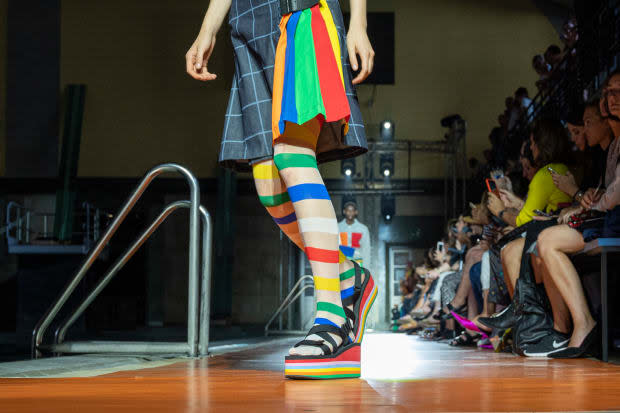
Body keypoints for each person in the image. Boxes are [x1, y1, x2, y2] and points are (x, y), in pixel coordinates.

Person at [185, 0, 376, 379]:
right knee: (269, 186)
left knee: (292, 156)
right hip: (247, 25)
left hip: (301, 14)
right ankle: (349, 278)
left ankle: (332, 318)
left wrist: (359, 22)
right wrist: (208, 28)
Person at [338, 200, 371, 268]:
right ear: (344, 211)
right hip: (342, 263)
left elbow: (366, 250)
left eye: (352, 210)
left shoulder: (363, 229)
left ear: (356, 212)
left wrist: (366, 269)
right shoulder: (337, 228)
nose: (350, 212)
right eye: (348, 210)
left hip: (357, 263)